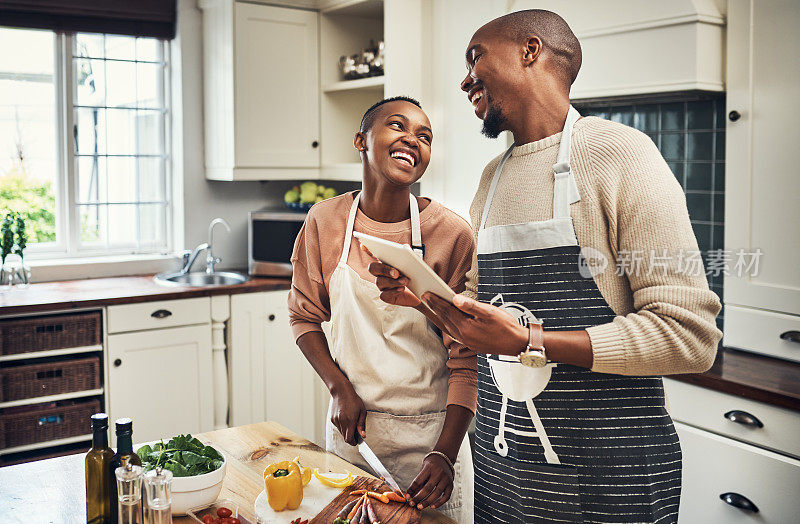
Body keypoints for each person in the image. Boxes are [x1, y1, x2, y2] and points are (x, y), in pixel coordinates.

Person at [369, 10, 723, 524]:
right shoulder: (492, 178)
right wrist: (422, 297)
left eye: (475, 57)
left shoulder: (621, 155)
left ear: (530, 51)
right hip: (505, 475)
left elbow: (691, 337)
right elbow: (481, 316)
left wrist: (532, 343)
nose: (465, 78)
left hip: (609, 480)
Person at [288, 96, 475, 522]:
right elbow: (304, 317)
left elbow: (467, 358)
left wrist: (444, 454)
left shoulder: (452, 234)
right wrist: (338, 387)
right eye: (398, 126)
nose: (413, 139)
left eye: (425, 136)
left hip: (432, 446)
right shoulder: (325, 221)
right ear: (361, 140)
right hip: (354, 437)